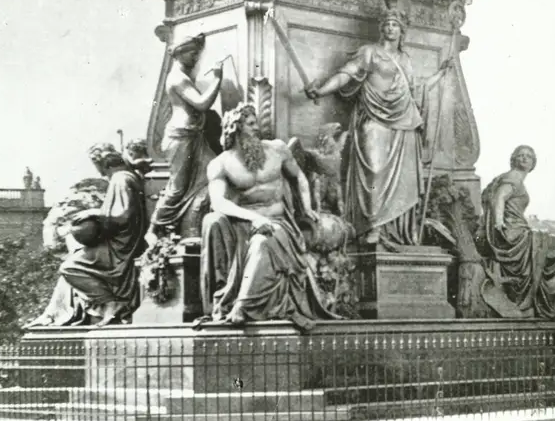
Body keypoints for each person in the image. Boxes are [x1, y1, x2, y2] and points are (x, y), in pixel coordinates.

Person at [305, 0, 452, 247]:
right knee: (374, 170)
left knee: (402, 180)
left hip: (404, 124)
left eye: (395, 24)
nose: (390, 28)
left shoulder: (405, 60)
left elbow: (417, 89)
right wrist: (321, 90)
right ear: (381, 27)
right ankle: (372, 225)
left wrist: (440, 73)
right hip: (373, 119)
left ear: (401, 30)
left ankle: (393, 229)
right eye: (387, 24)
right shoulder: (369, 53)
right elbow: (345, 75)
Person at [200, 104, 337, 330]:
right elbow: (218, 202)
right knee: (226, 227)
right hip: (243, 226)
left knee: (263, 242)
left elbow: (300, 177)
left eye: (256, 123)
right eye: (251, 124)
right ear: (235, 128)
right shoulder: (221, 163)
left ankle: (243, 307)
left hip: (279, 224)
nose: (257, 129)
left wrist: (308, 206)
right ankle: (238, 304)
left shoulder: (277, 149)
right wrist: (253, 218)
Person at [32, 140, 152, 327]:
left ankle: (110, 303)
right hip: (120, 243)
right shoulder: (123, 178)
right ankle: (58, 313)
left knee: (70, 267)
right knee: (75, 259)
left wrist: (93, 214)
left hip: (119, 248)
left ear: (103, 162)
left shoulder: (121, 179)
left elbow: (123, 216)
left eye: (96, 165)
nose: (98, 171)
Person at [477, 145, 555, 320]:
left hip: (516, 232)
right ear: (514, 159)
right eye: (520, 155)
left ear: (533, 163)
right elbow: (499, 198)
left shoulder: (513, 179)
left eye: (528, 156)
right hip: (514, 236)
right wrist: (499, 222)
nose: (524, 158)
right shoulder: (513, 177)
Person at [147, 33, 223, 246]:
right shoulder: (178, 78)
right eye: (192, 53)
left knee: (214, 173)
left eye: (197, 53)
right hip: (181, 137)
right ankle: (154, 228)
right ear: (179, 53)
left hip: (194, 137)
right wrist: (217, 79)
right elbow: (201, 104)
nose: (196, 58)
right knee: (177, 189)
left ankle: (192, 224)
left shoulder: (183, 76)